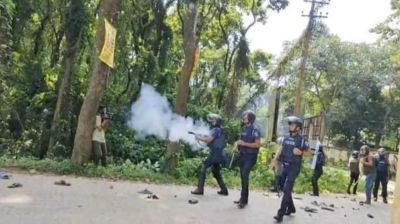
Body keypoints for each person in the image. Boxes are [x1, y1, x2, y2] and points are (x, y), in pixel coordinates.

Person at [271, 116, 311, 223]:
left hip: (294, 167)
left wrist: (301, 152)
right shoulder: (285, 137)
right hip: (284, 165)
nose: (290, 126)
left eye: (292, 124)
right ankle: (291, 208)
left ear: (298, 128)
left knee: (287, 188)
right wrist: (274, 161)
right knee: (282, 187)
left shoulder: (302, 140)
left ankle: (280, 215)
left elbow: (309, 153)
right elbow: (280, 149)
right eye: (289, 124)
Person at [191, 113, 228, 196]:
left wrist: (199, 138)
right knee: (216, 172)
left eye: (214, 120)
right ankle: (224, 190)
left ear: (218, 121)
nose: (212, 121)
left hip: (216, 154)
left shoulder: (216, 130)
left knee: (203, 167)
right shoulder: (217, 130)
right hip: (219, 154)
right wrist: (200, 136)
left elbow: (208, 139)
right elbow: (207, 136)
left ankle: (200, 189)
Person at [234, 110, 261, 209]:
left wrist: (244, 144)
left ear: (250, 118)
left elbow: (257, 144)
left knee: (245, 175)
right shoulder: (243, 128)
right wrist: (236, 145)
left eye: (245, 117)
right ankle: (243, 198)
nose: (243, 118)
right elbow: (240, 140)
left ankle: (243, 201)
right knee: (242, 176)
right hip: (242, 155)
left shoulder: (255, 130)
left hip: (251, 156)